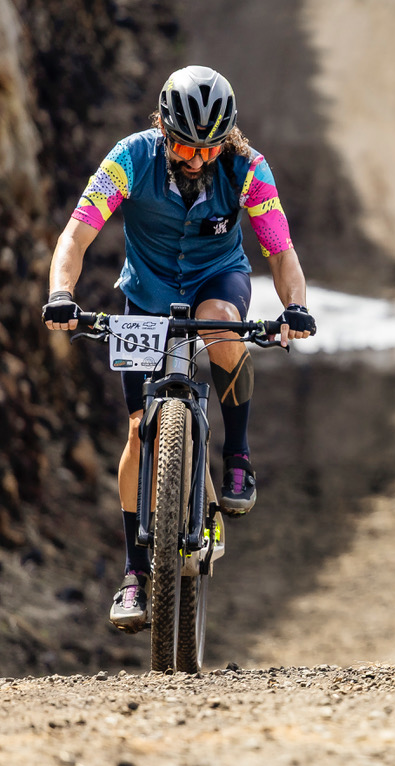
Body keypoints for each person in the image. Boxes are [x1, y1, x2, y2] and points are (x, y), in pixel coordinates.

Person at [41, 65, 317, 633]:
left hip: (219, 282)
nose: (196, 159)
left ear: (227, 139)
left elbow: (280, 250)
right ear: (164, 131)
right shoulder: (129, 157)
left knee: (220, 325)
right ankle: (135, 574)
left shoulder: (247, 167)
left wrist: (294, 307)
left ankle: (237, 456)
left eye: (209, 148)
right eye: (186, 146)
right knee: (141, 432)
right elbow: (77, 234)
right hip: (145, 296)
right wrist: (62, 294)